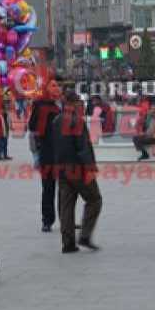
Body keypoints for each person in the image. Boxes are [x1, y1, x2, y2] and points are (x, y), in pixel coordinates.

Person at [54, 91, 102, 253]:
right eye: (78, 103)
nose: (80, 105)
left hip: (61, 168)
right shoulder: (77, 121)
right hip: (78, 169)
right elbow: (83, 148)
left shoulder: (56, 121)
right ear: (72, 103)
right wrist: (90, 169)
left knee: (66, 205)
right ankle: (85, 235)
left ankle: (67, 243)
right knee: (94, 199)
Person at [28, 78, 62, 232]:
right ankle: (47, 220)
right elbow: (32, 126)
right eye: (53, 85)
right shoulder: (40, 104)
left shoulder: (61, 104)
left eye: (58, 86)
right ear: (46, 88)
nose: (57, 88)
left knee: (65, 189)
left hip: (63, 152)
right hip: (48, 152)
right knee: (48, 188)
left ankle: (66, 219)